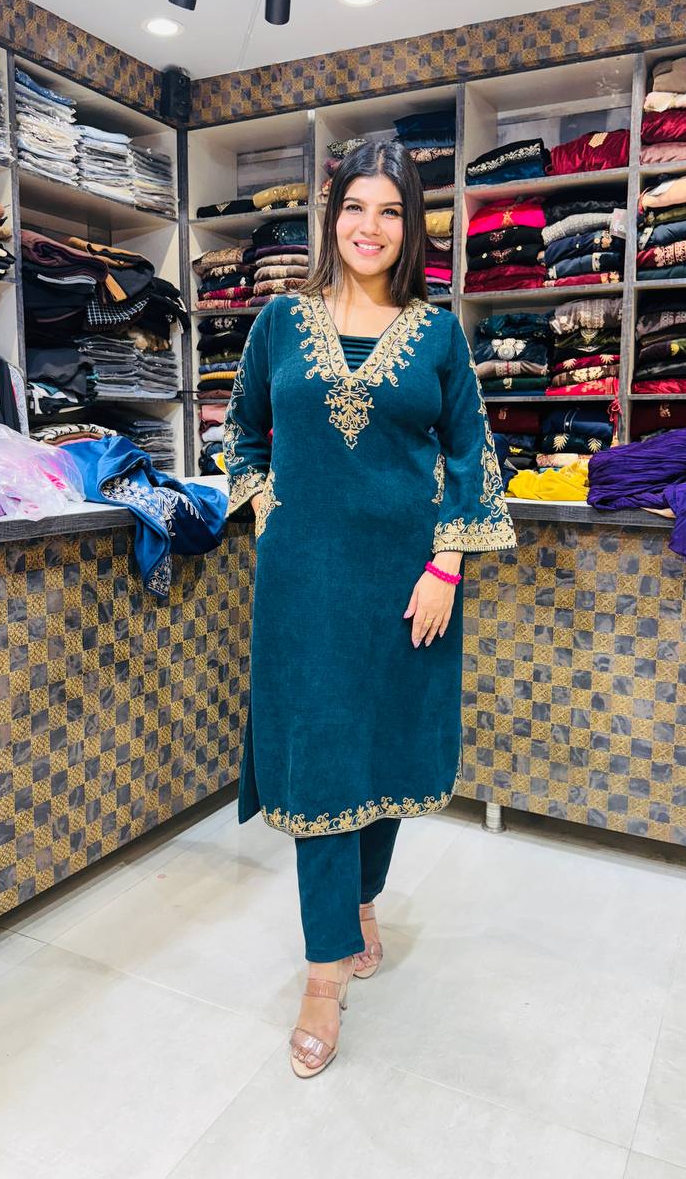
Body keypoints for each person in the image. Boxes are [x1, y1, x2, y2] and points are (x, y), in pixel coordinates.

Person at [222, 139, 516, 1079]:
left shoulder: (438, 333)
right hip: (303, 588)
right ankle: (323, 978)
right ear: (332, 215)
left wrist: (446, 566)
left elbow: (471, 454)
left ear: (411, 226)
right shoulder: (280, 321)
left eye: (390, 211)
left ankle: (359, 901)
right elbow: (241, 427)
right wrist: (263, 504)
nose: (370, 227)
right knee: (319, 767)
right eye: (356, 206)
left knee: (383, 751)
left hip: (405, 584)